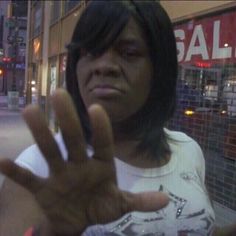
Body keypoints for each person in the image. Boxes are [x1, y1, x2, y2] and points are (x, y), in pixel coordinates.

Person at [0, 0, 235, 235]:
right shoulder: (40, 169)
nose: (104, 66)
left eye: (129, 53)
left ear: (160, 68)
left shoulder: (187, 150)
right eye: (90, 52)